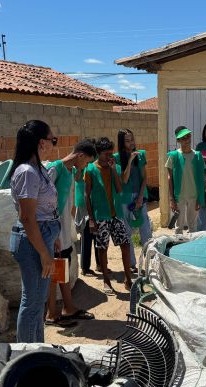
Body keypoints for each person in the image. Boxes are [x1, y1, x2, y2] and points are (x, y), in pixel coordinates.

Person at [8, 120, 60, 343]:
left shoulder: (37, 168)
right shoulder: (27, 172)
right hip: (33, 241)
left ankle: (36, 348)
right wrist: (43, 253)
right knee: (32, 302)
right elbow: (27, 217)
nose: (53, 144)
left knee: (38, 301)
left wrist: (53, 239)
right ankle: (26, 354)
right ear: (41, 143)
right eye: (52, 140)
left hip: (42, 236)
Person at [45, 139, 97, 327]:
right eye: (86, 162)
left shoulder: (71, 170)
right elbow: (43, 201)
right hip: (54, 231)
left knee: (62, 269)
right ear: (80, 155)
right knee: (54, 273)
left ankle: (68, 307)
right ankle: (51, 314)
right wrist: (52, 234)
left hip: (64, 232)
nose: (86, 166)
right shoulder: (54, 169)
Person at [84, 137, 133, 294]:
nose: (109, 157)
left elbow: (119, 189)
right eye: (106, 154)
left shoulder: (115, 167)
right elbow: (87, 195)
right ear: (99, 154)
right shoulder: (90, 169)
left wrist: (113, 170)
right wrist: (91, 219)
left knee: (125, 244)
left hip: (116, 214)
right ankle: (106, 280)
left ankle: (128, 279)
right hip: (100, 216)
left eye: (111, 154)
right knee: (102, 248)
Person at [114, 129, 152, 271]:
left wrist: (141, 197)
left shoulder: (141, 155)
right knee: (127, 231)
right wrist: (129, 160)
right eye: (128, 141)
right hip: (124, 198)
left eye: (132, 139)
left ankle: (150, 262)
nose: (131, 143)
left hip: (139, 195)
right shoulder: (117, 158)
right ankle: (131, 264)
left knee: (145, 230)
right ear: (122, 143)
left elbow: (144, 178)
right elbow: (124, 179)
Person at [166, 126, 206, 235]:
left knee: (193, 226)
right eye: (183, 138)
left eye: (188, 136)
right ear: (178, 140)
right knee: (178, 227)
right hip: (179, 196)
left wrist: (199, 198)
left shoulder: (197, 156)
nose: (187, 140)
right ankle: (177, 250)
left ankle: (191, 249)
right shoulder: (173, 156)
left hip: (194, 195)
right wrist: (171, 199)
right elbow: (170, 178)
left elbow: (202, 178)